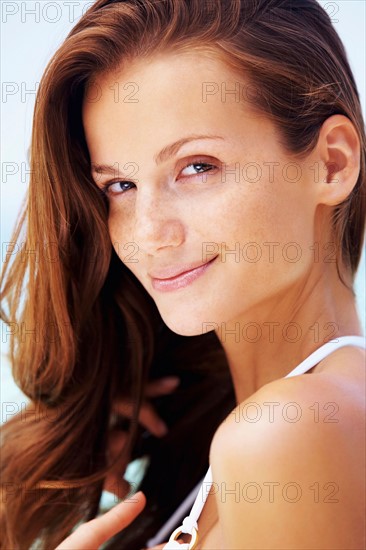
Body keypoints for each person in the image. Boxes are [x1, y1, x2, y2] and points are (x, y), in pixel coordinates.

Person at [1, 0, 365, 548]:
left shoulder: (291, 430)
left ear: (331, 163)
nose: (149, 232)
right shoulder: (264, 428)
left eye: (197, 167)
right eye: (120, 185)